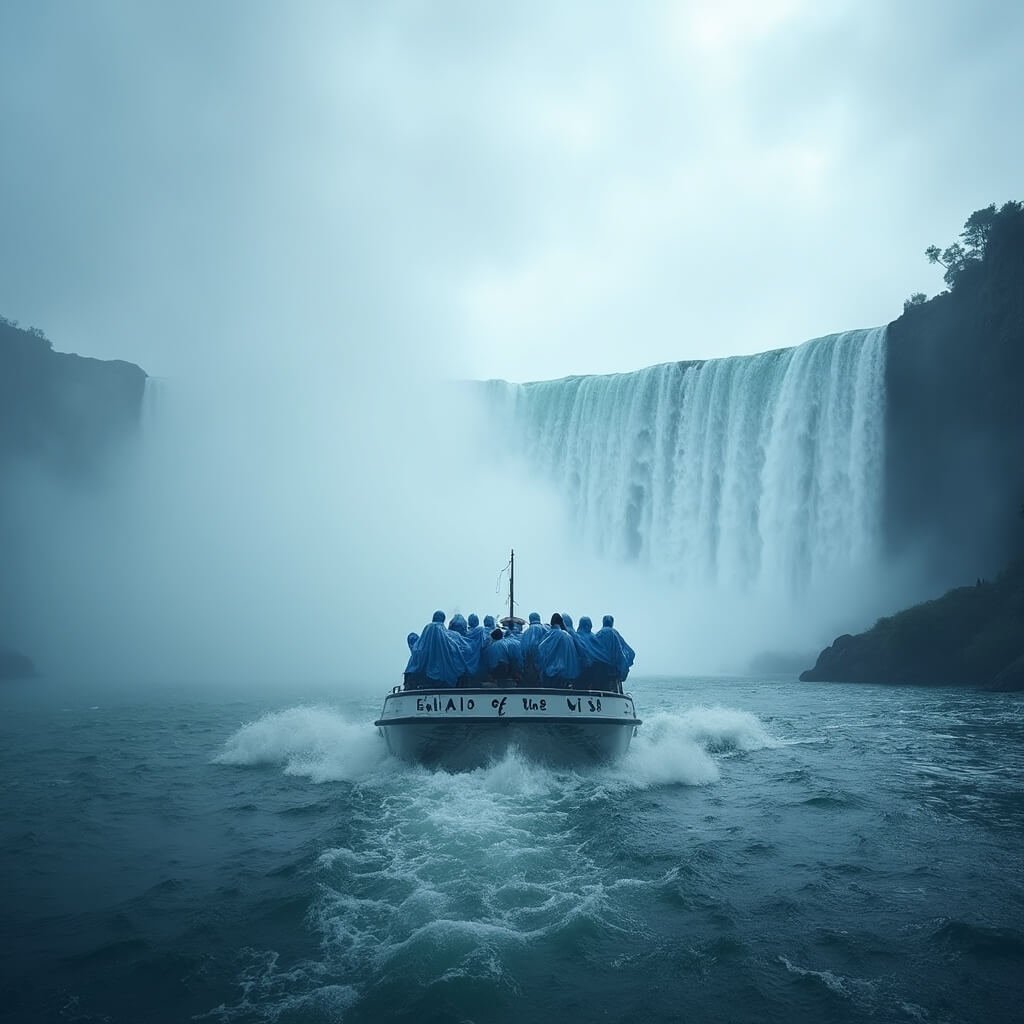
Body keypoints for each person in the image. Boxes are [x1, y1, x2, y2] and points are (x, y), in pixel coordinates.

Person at [404, 610, 470, 688]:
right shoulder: (454, 637)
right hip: (449, 679)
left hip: (426, 680)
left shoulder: (428, 631)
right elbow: (466, 650)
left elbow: (417, 650)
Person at [536, 613, 581, 687]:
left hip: (551, 674)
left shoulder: (549, 635)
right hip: (566, 675)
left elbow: (541, 651)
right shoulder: (568, 636)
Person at [593, 614, 635, 692]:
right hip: (613, 672)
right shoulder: (615, 634)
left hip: (599, 670)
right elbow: (627, 652)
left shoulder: (598, 634)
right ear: (612, 623)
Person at [519, 612, 547, 686]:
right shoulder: (546, 629)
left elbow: (522, 649)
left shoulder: (525, 633)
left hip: (529, 663)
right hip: (544, 662)